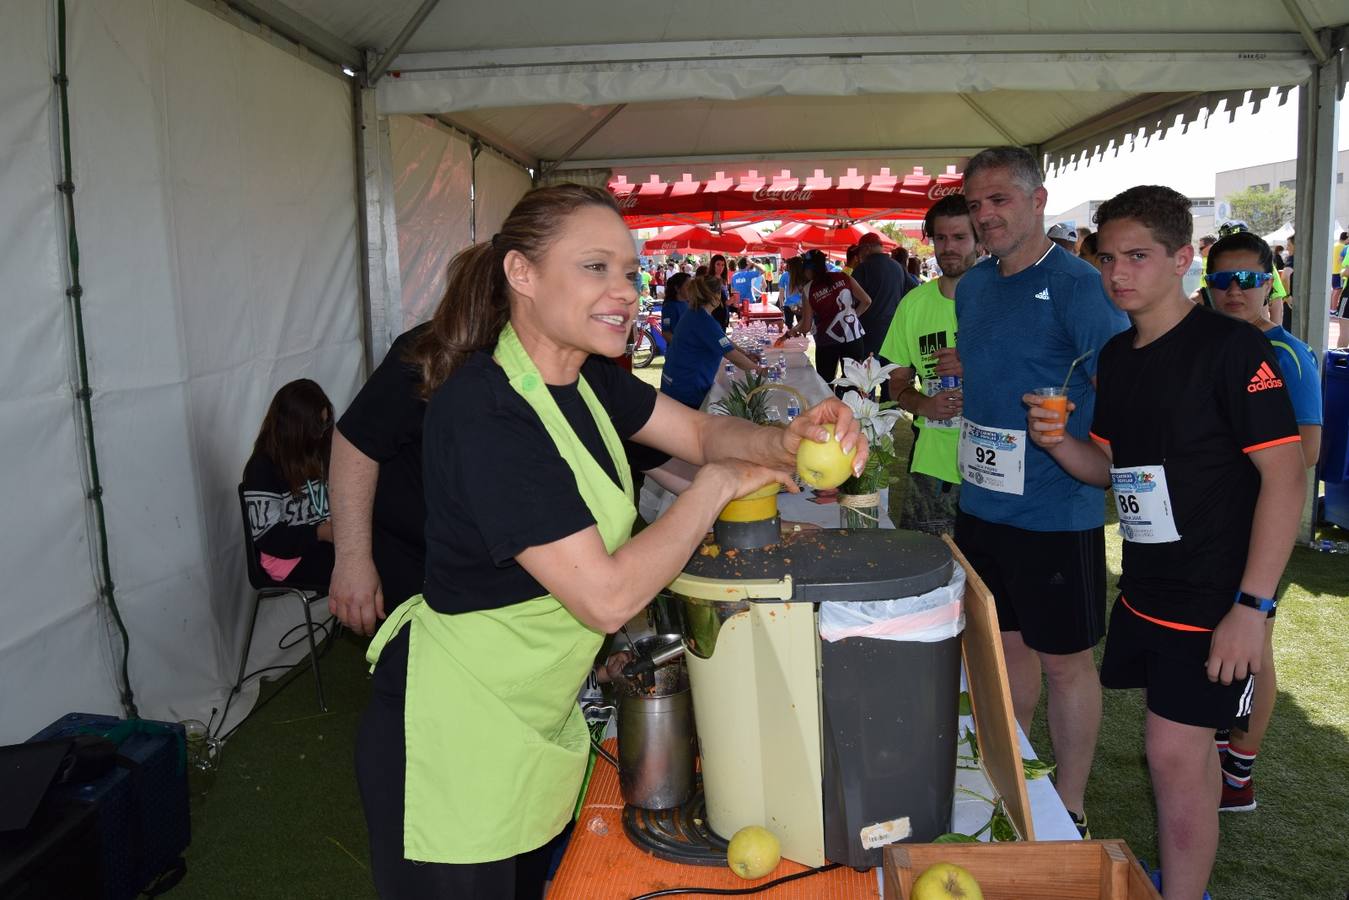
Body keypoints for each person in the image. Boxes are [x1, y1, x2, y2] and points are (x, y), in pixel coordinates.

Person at [353, 184, 865, 899]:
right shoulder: (487, 411)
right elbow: (605, 595)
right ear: (521, 275)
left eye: (628, 271)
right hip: (455, 731)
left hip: (532, 710)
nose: (623, 291)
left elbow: (697, 431)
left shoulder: (587, 378)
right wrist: (713, 487)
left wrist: (784, 439)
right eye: (595, 267)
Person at [1026, 185, 1304, 899]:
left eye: (1139, 256)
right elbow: (1113, 471)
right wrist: (1059, 446)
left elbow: (1284, 478)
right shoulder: (1116, 356)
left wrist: (1252, 607)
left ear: (1183, 258)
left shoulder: (1233, 348)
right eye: (1107, 257)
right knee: (1180, 751)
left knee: (1171, 753)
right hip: (1147, 584)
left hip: (1215, 593)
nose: (1118, 273)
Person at [955, 146, 1130, 837]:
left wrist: (1090, 449)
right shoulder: (972, 286)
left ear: (1037, 201)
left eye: (998, 200)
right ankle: (1015, 770)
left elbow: (1120, 387)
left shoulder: (1081, 285)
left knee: (1065, 662)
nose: (984, 215)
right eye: (974, 204)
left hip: (1058, 510)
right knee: (1004, 652)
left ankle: (1073, 798)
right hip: (982, 505)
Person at [1206, 230, 1322, 814]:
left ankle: (1239, 774)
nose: (1234, 291)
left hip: (1257, 528)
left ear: (1269, 282)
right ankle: (1208, 744)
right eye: (1221, 280)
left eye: (1247, 279)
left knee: (1255, 644)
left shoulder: (1288, 356)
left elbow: (1305, 455)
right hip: (1204, 526)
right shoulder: (1203, 347)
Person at [881, 194, 980, 535]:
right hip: (933, 463)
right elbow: (896, 384)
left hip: (996, 466)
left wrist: (974, 367)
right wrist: (923, 404)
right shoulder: (913, 306)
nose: (948, 247)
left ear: (979, 239)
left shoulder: (1003, 301)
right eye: (941, 238)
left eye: (960, 237)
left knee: (991, 580)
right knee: (932, 570)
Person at [242, 379, 335, 589]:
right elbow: (269, 538)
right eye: (316, 427)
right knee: (359, 572)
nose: (321, 433)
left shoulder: (317, 451)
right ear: (294, 428)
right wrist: (320, 533)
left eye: (326, 423)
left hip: (319, 542)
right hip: (286, 558)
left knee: (381, 554)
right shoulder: (262, 467)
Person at [660, 275, 761, 409]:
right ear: (716, 295)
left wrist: (745, 354)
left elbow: (723, 340)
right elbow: (731, 354)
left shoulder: (696, 314)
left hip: (676, 384)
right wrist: (761, 370)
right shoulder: (703, 320)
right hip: (685, 390)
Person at [786, 248, 873, 391]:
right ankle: (852, 411)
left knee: (826, 384)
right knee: (854, 383)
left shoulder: (809, 289)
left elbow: (806, 326)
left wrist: (794, 330)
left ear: (808, 269)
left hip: (827, 341)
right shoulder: (843, 277)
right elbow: (867, 301)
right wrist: (851, 316)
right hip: (853, 336)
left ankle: (831, 411)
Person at [851, 231, 909, 398]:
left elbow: (852, 299)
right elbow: (912, 288)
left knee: (867, 378)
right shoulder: (897, 267)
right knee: (888, 376)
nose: (859, 255)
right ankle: (886, 415)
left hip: (868, 331)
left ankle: (867, 411)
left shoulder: (863, 269)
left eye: (860, 251)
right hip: (893, 330)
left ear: (867, 249)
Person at [659, 272, 692, 345]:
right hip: (679, 353)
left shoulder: (688, 303)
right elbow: (666, 332)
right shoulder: (669, 307)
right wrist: (682, 347)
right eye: (687, 285)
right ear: (677, 288)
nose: (691, 288)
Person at [778, 257, 804, 330]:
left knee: (789, 327)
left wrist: (781, 305)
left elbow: (781, 292)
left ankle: (791, 340)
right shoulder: (804, 275)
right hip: (801, 305)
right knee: (802, 326)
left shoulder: (785, 275)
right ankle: (803, 339)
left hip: (788, 305)